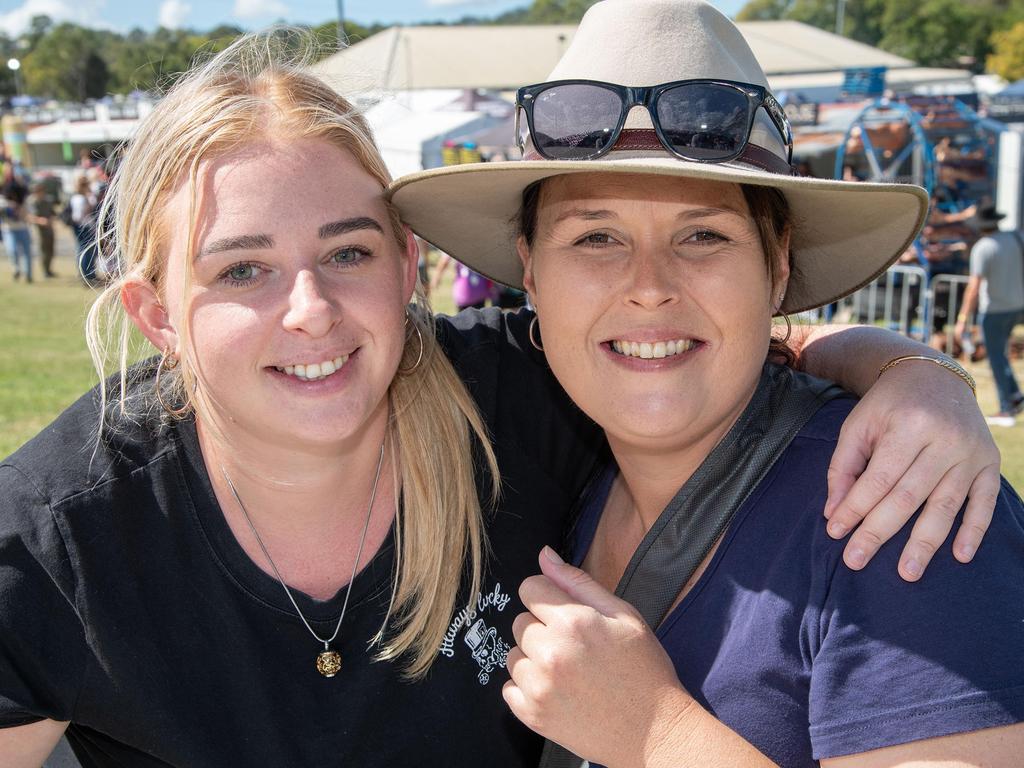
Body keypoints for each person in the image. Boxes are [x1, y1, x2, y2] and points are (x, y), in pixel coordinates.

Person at [0, 28, 1005, 768]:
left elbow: (718, 351)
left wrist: (912, 377)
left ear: (406, 269)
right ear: (156, 315)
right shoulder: (60, 534)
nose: (309, 310)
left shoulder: (892, 505)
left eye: (346, 253)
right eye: (241, 271)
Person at [390, 1, 1024, 765]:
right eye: (595, 237)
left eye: (703, 236)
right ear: (530, 271)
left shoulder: (899, 508)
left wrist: (659, 735)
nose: (649, 287)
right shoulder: (568, 472)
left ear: (777, 266)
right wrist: (911, 364)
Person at [956, 206, 1024, 426]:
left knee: (996, 358)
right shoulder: (1015, 237)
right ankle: (1014, 396)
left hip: (994, 309)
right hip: (1017, 305)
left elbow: (973, 287)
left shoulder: (983, 247)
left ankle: (1006, 409)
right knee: (1000, 355)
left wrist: (962, 319)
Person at [1, 163, 33, 283]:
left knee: (27, 252)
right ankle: (16, 269)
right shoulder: (3, 191)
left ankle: (28, 274)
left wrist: (21, 209)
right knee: (12, 251)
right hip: (9, 228)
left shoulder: (21, 187)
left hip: (23, 226)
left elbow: (27, 204)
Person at [68, 174, 97, 283]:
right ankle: (86, 275)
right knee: (85, 251)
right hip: (83, 226)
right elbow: (79, 216)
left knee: (88, 251)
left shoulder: (81, 197)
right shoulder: (80, 198)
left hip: (84, 226)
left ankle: (89, 274)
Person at [26, 180, 57, 278]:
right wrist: (40, 220)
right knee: (43, 251)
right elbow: (29, 216)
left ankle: (48, 269)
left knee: (50, 250)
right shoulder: (31, 201)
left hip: (49, 228)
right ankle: (45, 271)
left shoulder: (47, 200)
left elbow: (53, 213)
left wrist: (50, 220)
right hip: (38, 229)